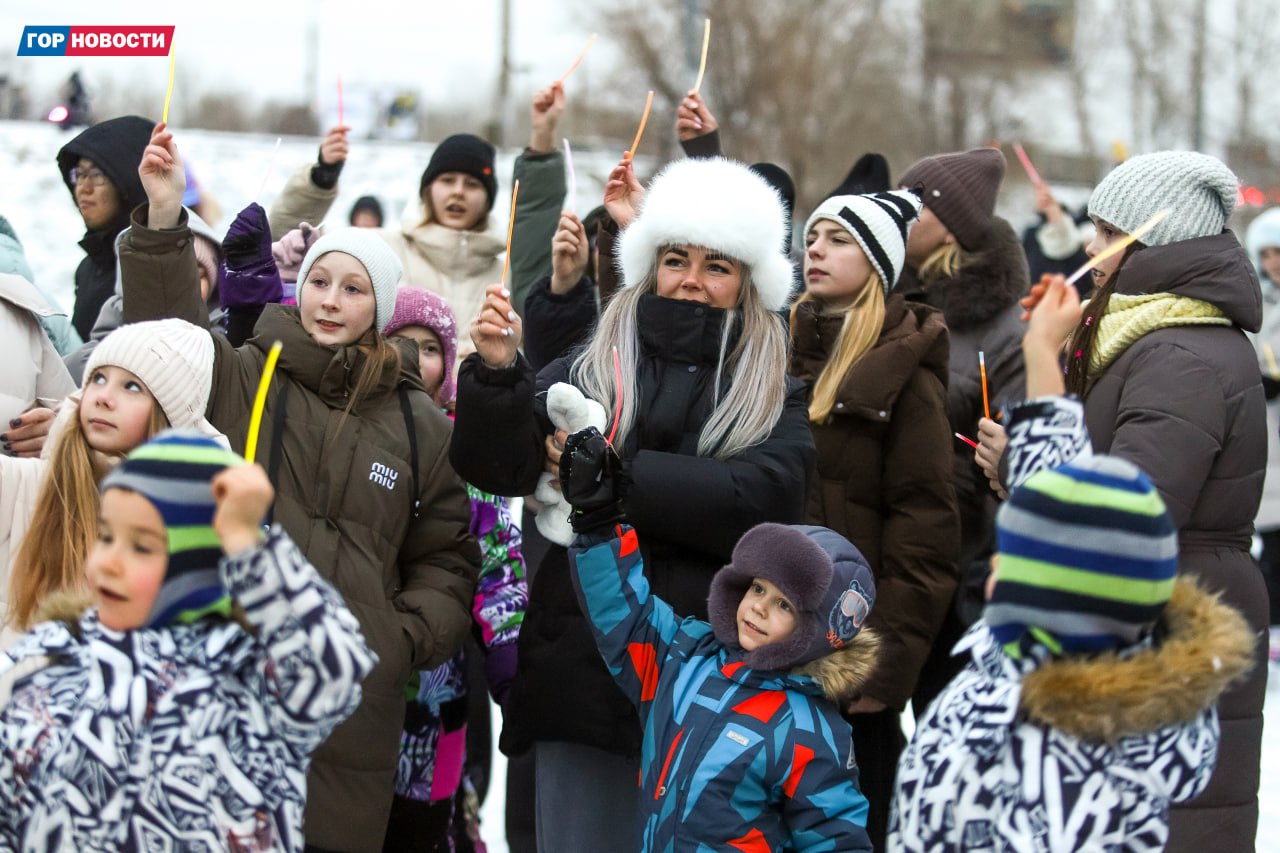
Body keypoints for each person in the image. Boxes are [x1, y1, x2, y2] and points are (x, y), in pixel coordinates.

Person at [118, 122, 481, 851]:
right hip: (229, 671)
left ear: (379, 308)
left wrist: (396, 638)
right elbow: (162, 346)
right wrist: (162, 218)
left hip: (352, 701)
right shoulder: (247, 373)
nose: (330, 300)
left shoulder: (419, 424)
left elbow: (446, 555)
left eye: (352, 288)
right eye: (318, 281)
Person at [450, 155, 814, 850]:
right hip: (578, 668)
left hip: (709, 683)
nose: (692, 280)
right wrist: (497, 376)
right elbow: (502, 464)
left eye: (717, 265)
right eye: (676, 259)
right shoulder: (594, 361)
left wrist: (616, 480)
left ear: (748, 281)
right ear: (650, 265)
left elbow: (765, 496)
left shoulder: (774, 389)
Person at [976, 151, 1268, 851]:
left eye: (1108, 232)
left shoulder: (1180, 355)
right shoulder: (1142, 334)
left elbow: (1125, 519)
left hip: (1173, 614)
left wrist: (1024, 456)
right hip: (1151, 606)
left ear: (1155, 240)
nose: (1090, 247)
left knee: (1174, 827)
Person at [0, 430, 376, 851]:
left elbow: (334, 666)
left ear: (200, 565)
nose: (108, 563)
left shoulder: (249, 682)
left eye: (142, 547)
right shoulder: (51, 656)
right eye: (106, 536)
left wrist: (248, 547)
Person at [889, 445, 1255, 851]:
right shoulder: (1023, 670)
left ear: (1052, 597)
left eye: (1011, 559)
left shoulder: (1037, 735)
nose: (992, 565)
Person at [558, 428, 876, 851]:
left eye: (784, 605)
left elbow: (835, 839)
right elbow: (626, 617)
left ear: (817, 630)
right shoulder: (686, 656)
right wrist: (599, 521)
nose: (759, 607)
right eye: (758, 588)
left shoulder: (809, 731)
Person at [789, 189, 959, 848]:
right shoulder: (784, 346)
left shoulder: (904, 374)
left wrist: (882, 666)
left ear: (878, 263)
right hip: (773, 636)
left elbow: (926, 533)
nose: (816, 250)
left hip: (848, 662)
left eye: (839, 240)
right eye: (812, 237)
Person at [382, 287, 528, 852]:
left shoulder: (464, 447)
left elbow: (497, 558)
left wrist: (507, 654)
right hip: (359, 674)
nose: (413, 359)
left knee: (426, 825)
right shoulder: (349, 430)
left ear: (447, 364)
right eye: (399, 342)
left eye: (428, 348)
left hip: (438, 686)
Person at [891, 146, 1028, 714]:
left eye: (915, 202)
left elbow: (1011, 457)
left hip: (954, 565)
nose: (899, 210)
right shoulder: (882, 291)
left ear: (950, 227)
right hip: (877, 550)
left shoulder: (1005, 330)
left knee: (941, 719)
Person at [1, 318, 222, 650]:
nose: (103, 397)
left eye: (132, 387)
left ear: (167, 419)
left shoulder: (193, 532)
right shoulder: (29, 482)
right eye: (98, 378)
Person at [55, 114, 154, 340]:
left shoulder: (153, 269)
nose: (83, 188)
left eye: (96, 174)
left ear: (128, 181)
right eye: (79, 174)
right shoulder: (90, 267)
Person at [1246, 206, 1280, 629]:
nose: (1273, 263)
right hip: (1269, 432)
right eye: (1266, 254)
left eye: (1279, 253)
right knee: (1272, 543)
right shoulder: (1260, 304)